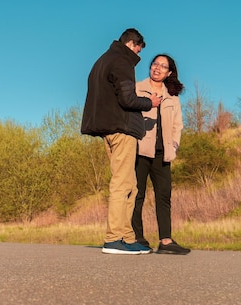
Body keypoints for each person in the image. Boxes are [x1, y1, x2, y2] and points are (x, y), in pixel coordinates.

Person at [81, 28, 161, 255]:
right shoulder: (121, 61)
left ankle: (127, 237)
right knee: (122, 183)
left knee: (131, 185)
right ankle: (114, 238)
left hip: (109, 129)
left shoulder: (101, 61)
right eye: (138, 49)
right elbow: (127, 98)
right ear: (132, 44)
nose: (139, 56)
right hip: (121, 129)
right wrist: (149, 102)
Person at [131, 54, 191, 255]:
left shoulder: (172, 96)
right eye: (155, 64)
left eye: (162, 66)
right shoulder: (137, 88)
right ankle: (137, 238)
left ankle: (165, 241)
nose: (157, 68)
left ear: (169, 73)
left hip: (162, 153)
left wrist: (173, 146)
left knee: (164, 196)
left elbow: (177, 125)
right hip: (139, 150)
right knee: (137, 195)